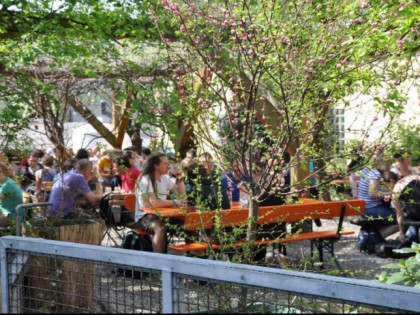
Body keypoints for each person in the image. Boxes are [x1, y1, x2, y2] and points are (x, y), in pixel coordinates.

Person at [130, 153, 185, 253]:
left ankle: (195, 256)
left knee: (189, 222)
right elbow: (154, 203)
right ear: (156, 165)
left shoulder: (164, 178)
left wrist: (179, 177)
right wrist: (174, 202)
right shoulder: (145, 179)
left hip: (161, 215)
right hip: (144, 216)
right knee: (160, 228)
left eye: (168, 163)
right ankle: (158, 262)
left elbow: (182, 197)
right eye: (165, 163)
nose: (168, 166)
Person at [357, 158, 399, 239]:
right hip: (370, 208)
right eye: (389, 165)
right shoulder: (375, 174)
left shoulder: (367, 170)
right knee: (399, 221)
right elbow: (372, 194)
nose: (389, 168)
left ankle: (371, 237)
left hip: (364, 206)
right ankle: (373, 239)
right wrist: (392, 193)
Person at [392, 173, 420, 243]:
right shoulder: (414, 177)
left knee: (410, 215)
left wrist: (401, 233)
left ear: (391, 181)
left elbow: (399, 214)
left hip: (415, 214)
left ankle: (413, 242)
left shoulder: (396, 189)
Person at [0, 162, 23, 227]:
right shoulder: (3, 182)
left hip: (12, 216)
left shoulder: (7, 184)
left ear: (5, 173)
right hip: (5, 212)